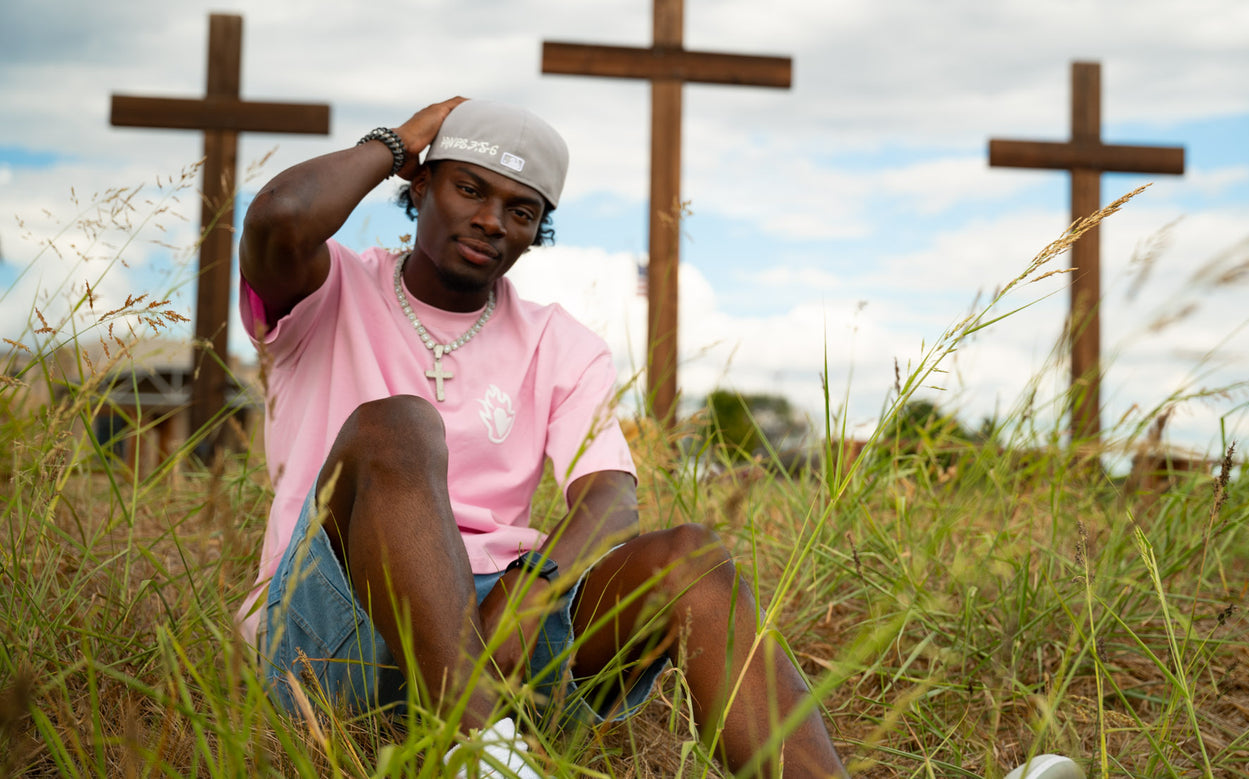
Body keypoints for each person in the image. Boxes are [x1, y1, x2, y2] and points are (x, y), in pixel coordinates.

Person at [237, 97, 1082, 779]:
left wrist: (534, 591)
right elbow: (277, 216)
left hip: (500, 622)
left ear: (540, 231)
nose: (493, 219)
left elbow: (609, 493)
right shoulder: (330, 290)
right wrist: (398, 138)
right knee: (398, 423)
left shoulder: (559, 341)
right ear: (419, 187)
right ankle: (479, 748)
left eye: (521, 209)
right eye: (469, 188)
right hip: (332, 630)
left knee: (692, 558)